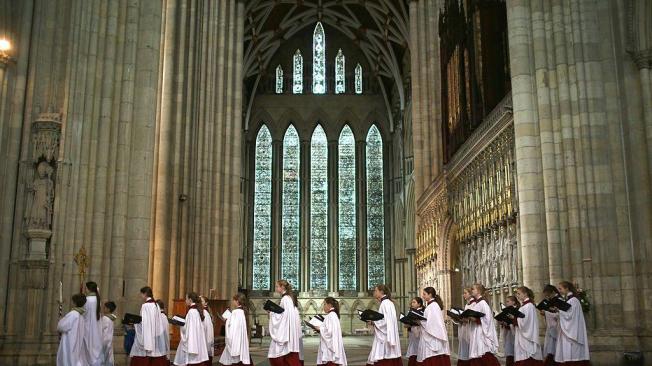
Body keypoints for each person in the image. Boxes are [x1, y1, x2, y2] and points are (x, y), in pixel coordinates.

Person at [268, 279, 304, 366]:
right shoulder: (288, 298)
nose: (276, 288)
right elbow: (284, 314)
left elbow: (284, 317)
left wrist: (272, 313)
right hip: (288, 332)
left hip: (285, 333)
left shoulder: (285, 299)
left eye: (277, 286)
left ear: (282, 287)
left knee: (278, 357)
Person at [130, 286, 168, 366]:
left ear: (145, 294)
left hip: (147, 337)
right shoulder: (156, 305)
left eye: (141, 294)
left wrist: (135, 324)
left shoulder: (145, 306)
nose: (141, 296)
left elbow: (144, 323)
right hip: (155, 336)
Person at [554, 281, 590, 365]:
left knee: (573, 355)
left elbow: (570, 316)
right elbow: (567, 314)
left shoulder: (573, 300)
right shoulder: (569, 300)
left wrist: (559, 310)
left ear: (567, 288)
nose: (559, 291)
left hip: (572, 331)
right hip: (568, 330)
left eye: (560, 288)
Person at [367, 284, 402, 366]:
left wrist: (373, 322)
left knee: (383, 358)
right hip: (386, 335)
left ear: (381, 292)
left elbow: (386, 322)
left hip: (385, 338)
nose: (374, 292)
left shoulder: (385, 303)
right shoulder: (388, 303)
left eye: (376, 291)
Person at [467, 283, 500, 366]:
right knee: (477, 354)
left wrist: (475, 319)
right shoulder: (478, 303)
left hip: (481, 333)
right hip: (476, 332)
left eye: (473, 289)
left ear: (478, 291)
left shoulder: (483, 304)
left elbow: (487, 319)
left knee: (483, 355)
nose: (472, 290)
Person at [417, 287, 450, 366]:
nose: (423, 296)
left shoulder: (433, 306)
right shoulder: (431, 306)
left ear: (430, 294)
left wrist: (420, 321)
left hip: (433, 336)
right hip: (429, 334)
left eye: (424, 294)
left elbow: (433, 324)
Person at [174, 292, 210, 366]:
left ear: (190, 300)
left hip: (192, 344)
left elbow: (189, 330)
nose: (185, 301)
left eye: (186, 299)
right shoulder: (196, 310)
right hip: (197, 342)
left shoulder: (191, 312)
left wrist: (180, 325)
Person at [512, 287, 543, 366]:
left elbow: (525, 322)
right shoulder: (525, 306)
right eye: (516, 294)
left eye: (519, 294)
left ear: (525, 294)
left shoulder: (528, 306)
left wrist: (514, 318)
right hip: (522, 334)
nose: (517, 296)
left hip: (526, 336)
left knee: (527, 358)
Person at [219, 293, 251, 365]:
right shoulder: (243, 311)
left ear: (237, 301)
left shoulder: (235, 312)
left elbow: (232, 327)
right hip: (240, 340)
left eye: (233, 300)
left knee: (233, 361)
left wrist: (227, 320)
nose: (233, 302)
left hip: (234, 340)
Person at [57, 293, 87, 366]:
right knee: (75, 360)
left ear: (75, 303)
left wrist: (61, 320)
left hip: (69, 342)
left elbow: (61, 327)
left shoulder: (73, 314)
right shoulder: (81, 315)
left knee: (68, 360)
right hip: (77, 342)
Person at [316, 297, 347, 366]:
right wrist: (320, 329)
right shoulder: (332, 315)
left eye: (324, 304)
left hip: (330, 350)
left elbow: (330, 333)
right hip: (330, 348)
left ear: (329, 305)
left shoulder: (331, 316)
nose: (323, 307)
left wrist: (319, 329)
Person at [83, 281, 103, 365]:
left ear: (88, 289)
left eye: (85, 288)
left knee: (88, 345)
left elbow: (84, 313)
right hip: (96, 325)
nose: (85, 289)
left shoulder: (87, 300)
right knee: (95, 344)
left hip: (88, 325)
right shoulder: (97, 299)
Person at [541, 285, 560, 366]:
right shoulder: (551, 300)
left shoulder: (559, 300)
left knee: (555, 347)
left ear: (552, 292)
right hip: (551, 326)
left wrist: (547, 312)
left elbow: (559, 314)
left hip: (557, 326)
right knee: (550, 347)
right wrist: (546, 312)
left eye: (548, 295)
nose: (547, 296)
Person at [499, 296, 519, 366]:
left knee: (515, 352)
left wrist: (512, 320)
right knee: (509, 353)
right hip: (509, 333)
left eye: (508, 301)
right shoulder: (507, 310)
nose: (506, 303)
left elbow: (519, 321)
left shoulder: (517, 309)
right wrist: (503, 322)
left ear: (513, 302)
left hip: (516, 333)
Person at [457, 288, 475, 366]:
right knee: (464, 348)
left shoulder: (474, 304)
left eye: (465, 293)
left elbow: (474, 317)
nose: (463, 295)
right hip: (465, 328)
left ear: (470, 294)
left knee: (469, 348)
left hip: (470, 329)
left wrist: (466, 319)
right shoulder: (467, 304)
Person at [405, 297, 424, 366]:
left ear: (419, 304)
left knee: (418, 352)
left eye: (414, 302)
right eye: (412, 302)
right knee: (413, 352)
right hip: (412, 335)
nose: (412, 304)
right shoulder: (411, 311)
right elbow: (406, 325)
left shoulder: (422, 312)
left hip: (419, 335)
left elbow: (423, 323)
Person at [100, 301, 117, 366]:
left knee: (102, 358)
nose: (103, 309)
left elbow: (100, 328)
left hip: (103, 340)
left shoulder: (105, 318)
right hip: (109, 340)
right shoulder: (111, 318)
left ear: (108, 309)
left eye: (104, 308)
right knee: (108, 358)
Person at [200, 296, 215, 365]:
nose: (199, 302)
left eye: (201, 301)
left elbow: (207, 330)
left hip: (205, 342)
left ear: (206, 303)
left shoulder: (205, 312)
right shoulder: (203, 311)